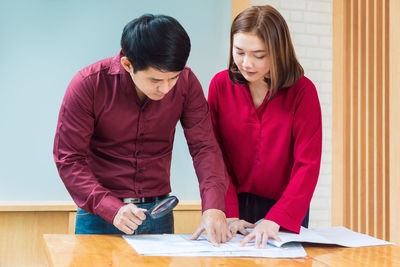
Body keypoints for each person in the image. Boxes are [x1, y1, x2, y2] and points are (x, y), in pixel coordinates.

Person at [53, 14, 232, 246]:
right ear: (128, 64)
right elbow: (69, 159)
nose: (166, 88)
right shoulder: (89, 84)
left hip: (159, 214)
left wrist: (214, 206)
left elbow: (204, 148)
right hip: (100, 214)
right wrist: (111, 207)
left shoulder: (187, 83)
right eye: (156, 80)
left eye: (173, 78)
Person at [208, 5, 322, 248]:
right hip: (234, 204)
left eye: (259, 55)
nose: (246, 63)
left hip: (286, 207)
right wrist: (228, 212)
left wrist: (277, 218)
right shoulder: (220, 86)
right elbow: (216, 156)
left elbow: (307, 165)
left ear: (278, 52)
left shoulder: (303, 92)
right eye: (239, 52)